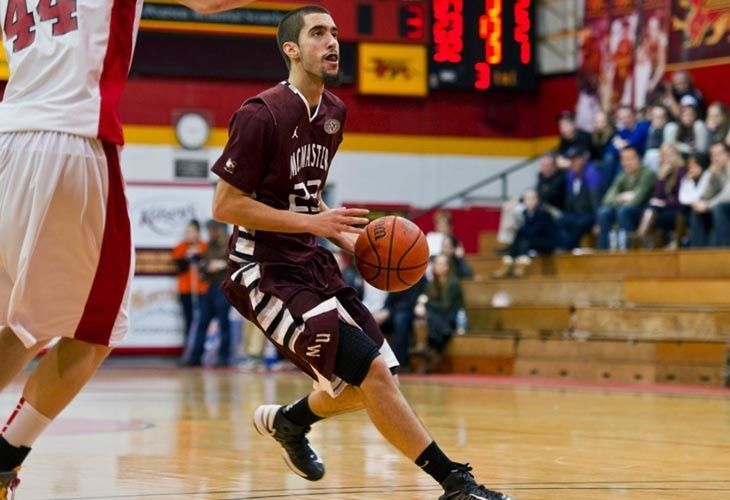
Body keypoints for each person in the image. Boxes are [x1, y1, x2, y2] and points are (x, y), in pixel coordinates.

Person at [208, 6, 511, 500]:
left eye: (335, 33)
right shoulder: (260, 113)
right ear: (291, 49)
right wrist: (314, 223)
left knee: (375, 378)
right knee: (371, 372)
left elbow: (305, 196)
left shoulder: (333, 113)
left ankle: (290, 421)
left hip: (310, 261)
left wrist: (342, 235)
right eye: (318, 33)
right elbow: (226, 204)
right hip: (262, 270)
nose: (332, 42)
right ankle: (455, 482)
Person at [0, 0, 254, 497]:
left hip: (8, 141)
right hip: (71, 142)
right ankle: (5, 456)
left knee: (18, 324)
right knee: (97, 327)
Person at [183, 220, 233, 367]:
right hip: (211, 287)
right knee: (202, 322)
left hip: (224, 287)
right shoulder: (210, 244)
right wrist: (204, 264)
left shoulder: (231, 243)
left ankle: (224, 358)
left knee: (224, 323)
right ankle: (195, 357)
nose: (210, 233)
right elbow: (204, 264)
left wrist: (221, 265)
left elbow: (236, 262)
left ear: (220, 230)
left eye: (212, 230)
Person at [595, 146, 657, 250]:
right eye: (623, 159)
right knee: (603, 212)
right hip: (624, 209)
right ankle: (603, 250)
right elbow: (606, 199)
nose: (627, 162)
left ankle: (625, 249)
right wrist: (622, 197)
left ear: (638, 158)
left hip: (643, 211)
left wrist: (621, 199)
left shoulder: (647, 173)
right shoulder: (622, 176)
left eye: (630, 158)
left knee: (623, 211)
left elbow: (637, 200)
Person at [413, 255, 465, 372]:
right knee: (423, 318)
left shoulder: (453, 283)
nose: (439, 266)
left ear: (447, 267)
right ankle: (429, 353)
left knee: (429, 317)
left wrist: (426, 303)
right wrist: (421, 304)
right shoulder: (431, 284)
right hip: (437, 318)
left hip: (452, 317)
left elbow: (445, 307)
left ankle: (425, 349)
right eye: (437, 264)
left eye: (442, 264)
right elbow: (431, 304)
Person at [493, 189, 557, 278]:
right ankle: (508, 264)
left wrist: (517, 228)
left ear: (537, 200)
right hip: (531, 241)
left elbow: (533, 232)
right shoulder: (525, 213)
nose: (529, 201)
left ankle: (518, 266)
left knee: (523, 241)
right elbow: (526, 232)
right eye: (527, 199)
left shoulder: (543, 213)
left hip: (545, 242)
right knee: (519, 239)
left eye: (532, 198)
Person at [636, 144, 687, 248]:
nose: (667, 159)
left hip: (679, 209)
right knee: (651, 207)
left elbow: (681, 200)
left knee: (652, 209)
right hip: (664, 209)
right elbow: (658, 196)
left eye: (670, 155)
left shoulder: (682, 171)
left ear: (677, 156)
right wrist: (661, 178)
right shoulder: (663, 172)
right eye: (664, 156)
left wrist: (664, 203)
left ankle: (640, 236)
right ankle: (643, 237)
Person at [556, 145, 604, 251]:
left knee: (579, 224)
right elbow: (569, 200)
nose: (572, 163)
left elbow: (596, 202)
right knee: (560, 221)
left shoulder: (592, 173)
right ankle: (565, 247)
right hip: (576, 214)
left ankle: (567, 249)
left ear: (582, 159)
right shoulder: (570, 174)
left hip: (590, 214)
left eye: (575, 159)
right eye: (570, 160)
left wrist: (598, 222)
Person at [172, 219, 208, 342]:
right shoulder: (180, 247)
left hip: (201, 289)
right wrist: (187, 258)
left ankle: (200, 348)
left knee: (203, 320)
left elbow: (206, 267)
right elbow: (179, 268)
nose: (189, 234)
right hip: (185, 290)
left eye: (192, 231)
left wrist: (198, 257)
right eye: (188, 232)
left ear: (198, 232)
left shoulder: (204, 246)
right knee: (188, 319)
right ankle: (189, 347)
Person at [689, 142, 730, 247]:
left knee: (718, 208)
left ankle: (723, 251)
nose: (716, 158)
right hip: (723, 206)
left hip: (725, 205)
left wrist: (707, 205)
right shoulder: (717, 170)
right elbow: (706, 195)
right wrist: (711, 178)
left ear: (727, 154)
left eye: (719, 154)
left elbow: (727, 196)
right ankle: (698, 253)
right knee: (697, 211)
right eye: (713, 155)